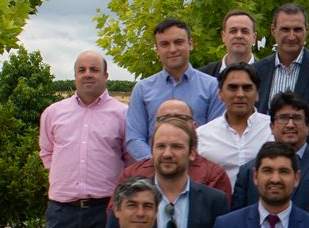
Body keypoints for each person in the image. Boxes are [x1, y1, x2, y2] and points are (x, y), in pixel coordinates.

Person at [40, 50, 130, 228]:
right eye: (82, 70)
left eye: (94, 70)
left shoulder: (123, 115)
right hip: (62, 213)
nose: (87, 75)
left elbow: (129, 160)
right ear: (75, 76)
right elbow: (47, 152)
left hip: (104, 212)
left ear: (106, 75)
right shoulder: (53, 113)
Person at [253, 2, 309, 159]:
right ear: (273, 30)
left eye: (297, 29)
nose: (291, 36)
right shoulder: (258, 71)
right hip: (266, 163)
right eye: (285, 29)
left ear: (306, 30)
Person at [124, 18, 224, 160]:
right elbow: (134, 138)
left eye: (178, 42)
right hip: (153, 174)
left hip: (198, 171)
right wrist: (158, 164)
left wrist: (190, 162)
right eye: (164, 44)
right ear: (157, 50)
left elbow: (216, 135)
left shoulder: (213, 87)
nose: (172, 49)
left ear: (190, 44)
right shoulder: (142, 89)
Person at [231, 91, 309, 213]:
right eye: (283, 118)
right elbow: (238, 220)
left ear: (308, 127)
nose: (290, 125)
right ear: (271, 127)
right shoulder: (248, 171)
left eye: (297, 118)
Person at [116, 99, 232, 198]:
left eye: (181, 118)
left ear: (194, 127)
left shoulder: (213, 175)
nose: (172, 124)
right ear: (154, 127)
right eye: (164, 119)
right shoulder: (132, 174)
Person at [194, 62, 271, 173]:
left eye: (247, 88)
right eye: (232, 88)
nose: (240, 94)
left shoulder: (273, 130)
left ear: (257, 94)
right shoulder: (202, 136)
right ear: (220, 93)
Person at [201, 9, 260, 80]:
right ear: (223, 36)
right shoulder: (203, 76)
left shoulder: (268, 74)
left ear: (254, 38)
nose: (239, 36)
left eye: (245, 31)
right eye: (233, 31)